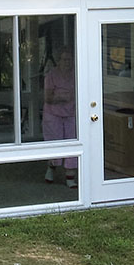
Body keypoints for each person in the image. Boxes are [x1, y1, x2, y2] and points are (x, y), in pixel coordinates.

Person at [43, 46, 77, 188]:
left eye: (69, 60)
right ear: (59, 61)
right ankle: (50, 170)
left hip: (71, 113)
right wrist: (62, 97)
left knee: (72, 143)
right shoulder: (51, 75)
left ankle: (70, 177)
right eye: (64, 60)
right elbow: (48, 97)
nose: (67, 63)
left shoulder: (76, 74)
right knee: (54, 143)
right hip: (53, 113)